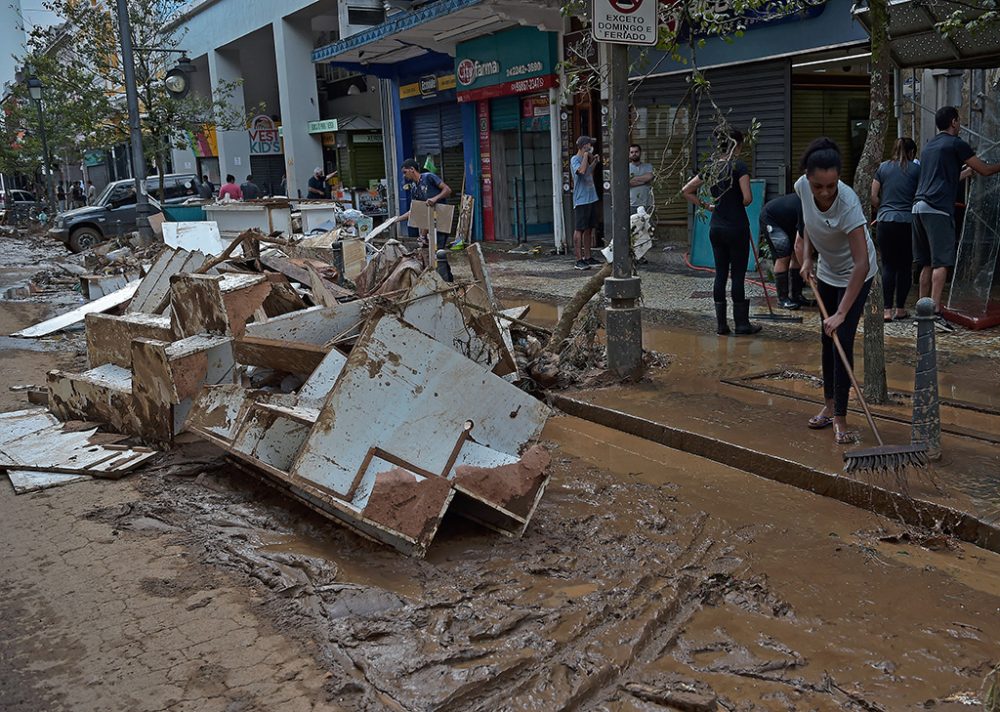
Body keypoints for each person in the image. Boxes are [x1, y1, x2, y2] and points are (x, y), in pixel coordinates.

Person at [794, 138, 879, 445]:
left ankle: (841, 417)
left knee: (841, 337)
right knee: (825, 336)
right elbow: (808, 223)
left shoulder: (849, 204)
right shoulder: (802, 187)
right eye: (819, 186)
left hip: (857, 275)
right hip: (827, 272)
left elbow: (861, 263)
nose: (825, 193)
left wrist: (842, 312)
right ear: (808, 178)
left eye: (831, 185)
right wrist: (806, 258)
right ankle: (829, 405)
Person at [912, 106, 1000, 314]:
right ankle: (934, 311)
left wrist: (966, 173)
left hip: (918, 208)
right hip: (937, 209)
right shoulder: (956, 144)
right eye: (959, 121)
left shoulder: (928, 147)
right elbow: (986, 170)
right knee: (941, 262)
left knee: (925, 263)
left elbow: (940, 179)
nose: (960, 125)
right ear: (953, 122)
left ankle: (921, 312)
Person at [682, 128, 760, 336]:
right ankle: (742, 325)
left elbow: (686, 191)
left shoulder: (711, 168)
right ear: (737, 145)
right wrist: (735, 200)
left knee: (720, 274)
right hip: (737, 227)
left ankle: (721, 325)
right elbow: (748, 198)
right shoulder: (739, 166)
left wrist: (707, 206)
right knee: (738, 276)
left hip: (716, 227)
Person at [871, 137, 920, 322]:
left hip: (885, 221)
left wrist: (883, 207)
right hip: (907, 222)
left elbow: (873, 196)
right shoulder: (916, 169)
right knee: (905, 266)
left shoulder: (883, 168)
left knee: (888, 265)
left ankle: (886, 311)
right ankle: (900, 309)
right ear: (912, 152)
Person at [761, 193, 808, 310]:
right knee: (783, 256)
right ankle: (782, 299)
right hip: (771, 219)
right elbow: (799, 245)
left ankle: (796, 295)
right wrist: (806, 267)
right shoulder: (806, 206)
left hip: (788, 222)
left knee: (795, 257)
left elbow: (800, 242)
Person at [396, 158, 452, 248]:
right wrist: (396, 220)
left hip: (441, 219)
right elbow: (414, 210)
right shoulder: (414, 188)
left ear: (412, 169)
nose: (404, 175)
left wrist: (435, 198)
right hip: (429, 224)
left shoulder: (428, 177)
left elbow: (448, 190)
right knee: (430, 254)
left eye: (405, 172)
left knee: (439, 252)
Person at [570, 136, 601, 271]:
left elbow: (588, 173)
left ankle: (588, 257)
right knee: (580, 229)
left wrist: (594, 162)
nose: (591, 147)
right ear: (584, 146)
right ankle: (578, 259)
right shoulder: (575, 159)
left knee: (589, 228)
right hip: (581, 199)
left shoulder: (584, 160)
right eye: (589, 145)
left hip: (591, 197)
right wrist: (586, 156)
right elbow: (581, 171)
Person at [629, 144, 654, 216]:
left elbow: (650, 177)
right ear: (629, 154)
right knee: (633, 226)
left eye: (636, 152)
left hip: (647, 203)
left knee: (648, 226)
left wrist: (634, 179)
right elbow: (628, 183)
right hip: (632, 204)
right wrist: (645, 181)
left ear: (640, 153)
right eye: (632, 152)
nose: (634, 154)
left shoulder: (648, 166)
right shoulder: (626, 168)